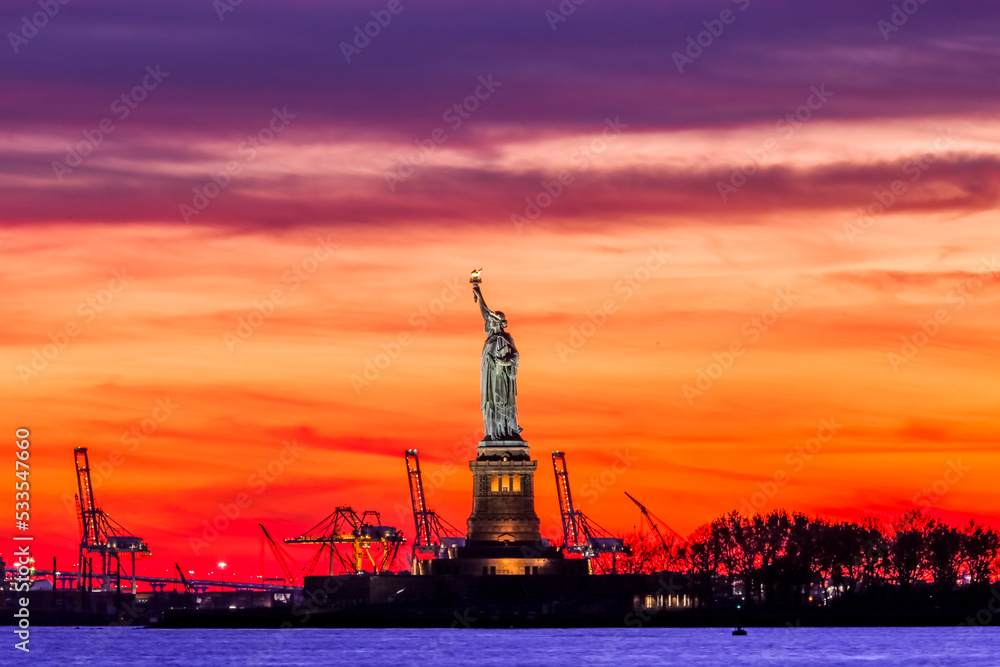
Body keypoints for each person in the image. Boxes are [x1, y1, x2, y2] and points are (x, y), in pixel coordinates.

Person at [473, 282, 523, 440]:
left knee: (501, 402)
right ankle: (493, 432)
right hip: (489, 377)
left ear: (498, 323)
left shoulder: (504, 338)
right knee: (490, 403)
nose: (488, 321)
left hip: (501, 379)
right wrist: (477, 291)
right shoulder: (491, 338)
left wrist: (505, 363)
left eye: (492, 320)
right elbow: (484, 313)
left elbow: (516, 356)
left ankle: (506, 431)